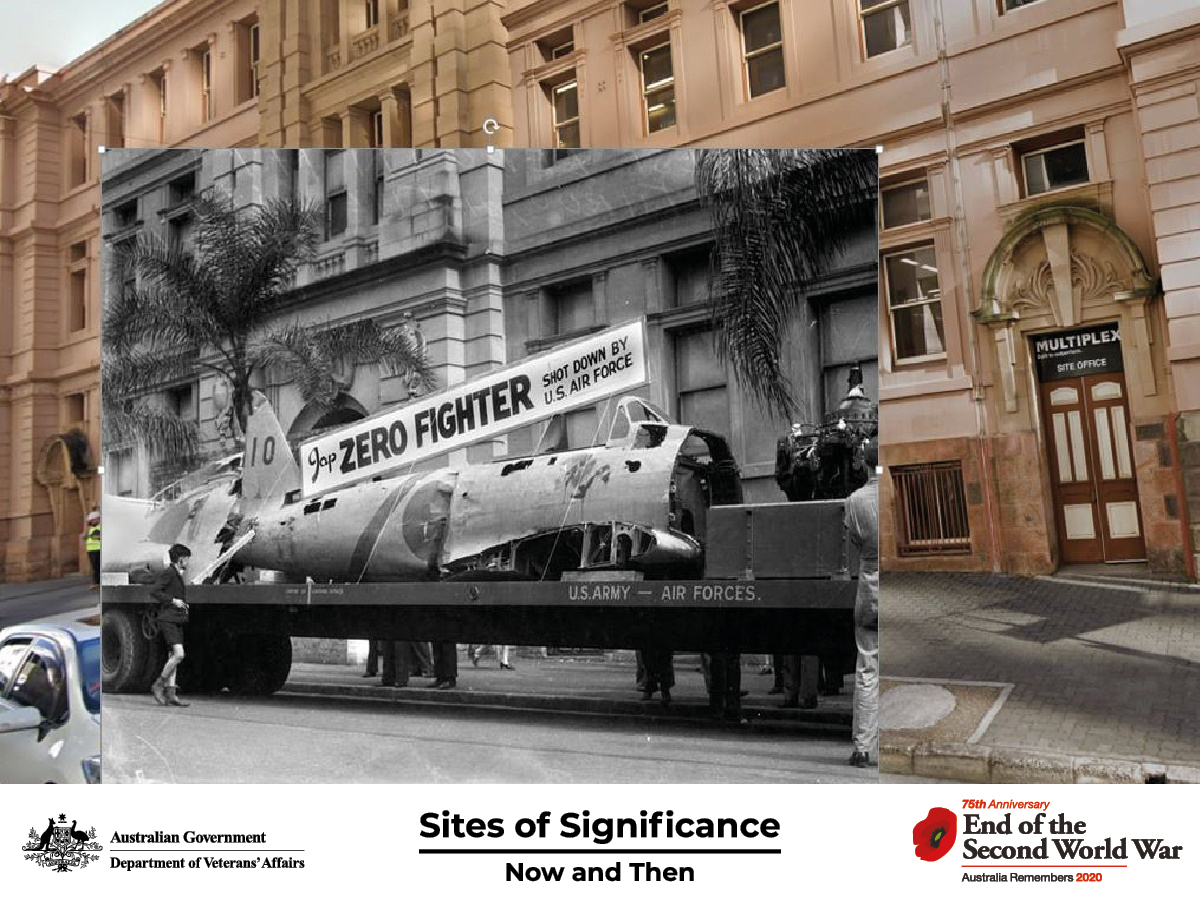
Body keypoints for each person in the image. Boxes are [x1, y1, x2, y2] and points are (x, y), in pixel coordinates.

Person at [846, 438, 879, 768]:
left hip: (869, 586)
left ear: (865, 463)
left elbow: (853, 539)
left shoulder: (854, 500)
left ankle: (862, 746)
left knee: (867, 668)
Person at [150, 543, 193, 708]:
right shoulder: (169, 573)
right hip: (168, 619)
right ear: (181, 559)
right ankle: (159, 684)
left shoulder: (176, 574)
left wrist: (182, 604)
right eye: (187, 559)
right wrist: (173, 601)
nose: (188, 562)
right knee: (179, 655)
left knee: (172, 657)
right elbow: (154, 591)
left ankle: (171, 695)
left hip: (176, 619)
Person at [83, 511, 101, 590]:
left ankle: (97, 583)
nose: (92, 521)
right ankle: (96, 583)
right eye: (91, 520)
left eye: (93, 520)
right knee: (94, 567)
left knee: (98, 567)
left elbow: (97, 537)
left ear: (98, 519)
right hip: (91, 550)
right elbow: (86, 538)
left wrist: (91, 536)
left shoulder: (99, 527)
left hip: (98, 550)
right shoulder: (90, 528)